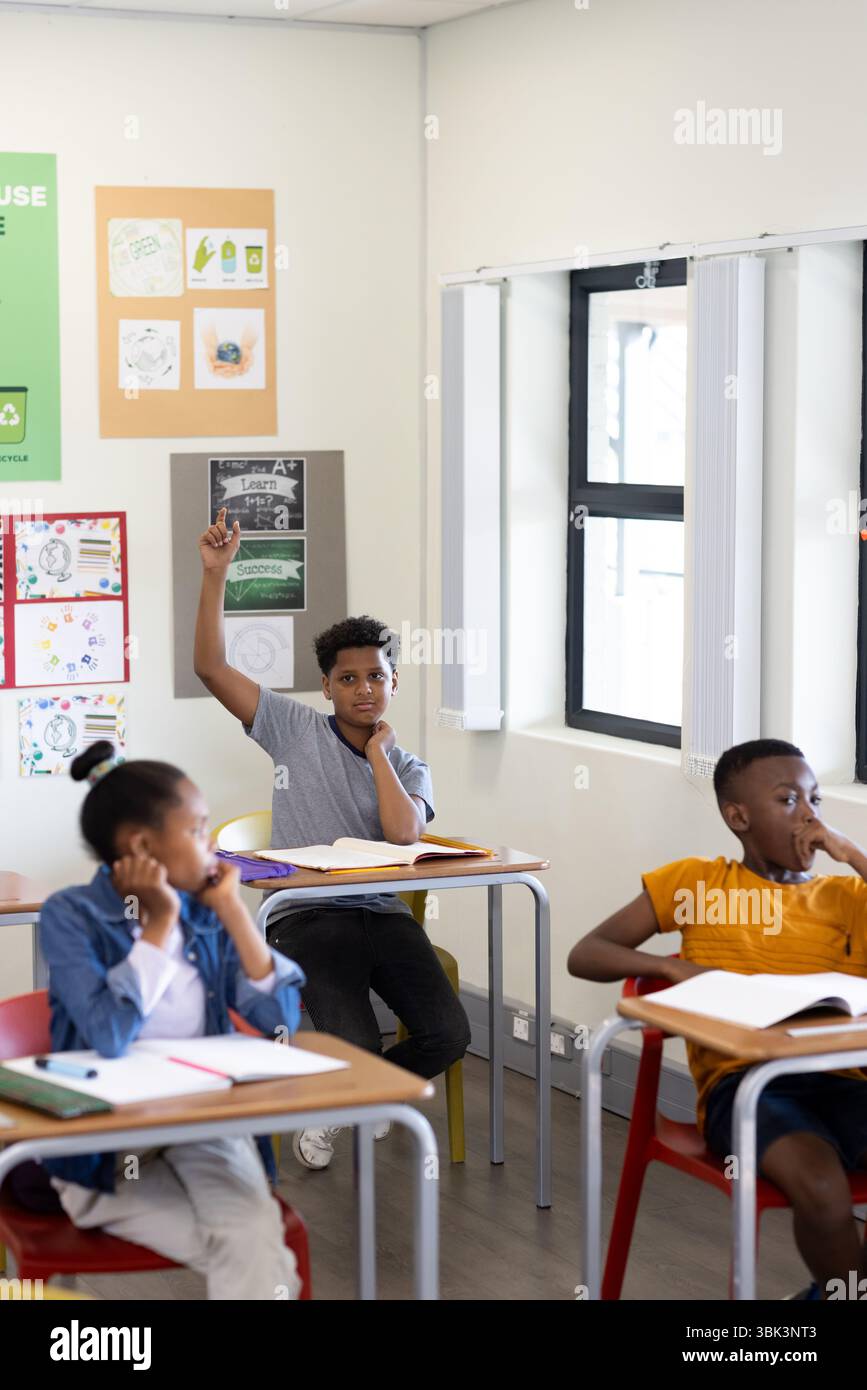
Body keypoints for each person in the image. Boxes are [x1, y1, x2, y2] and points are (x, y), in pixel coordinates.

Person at [194, 506, 470, 1171]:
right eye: (348, 679)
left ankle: (356, 1104)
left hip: (379, 915)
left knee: (448, 1033)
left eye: (376, 676)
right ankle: (355, 1095)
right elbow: (209, 668)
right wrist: (215, 577)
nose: (364, 689)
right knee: (356, 1042)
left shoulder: (406, 766)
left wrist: (379, 757)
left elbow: (406, 834)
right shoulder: (291, 728)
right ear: (326, 687)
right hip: (305, 918)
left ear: (393, 682)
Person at [568, 738, 867, 1300]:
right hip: (749, 1090)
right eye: (787, 800)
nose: (810, 816)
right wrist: (669, 966)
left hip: (845, 1078)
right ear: (739, 816)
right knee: (824, 1189)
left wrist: (852, 854)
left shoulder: (848, 896)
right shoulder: (698, 884)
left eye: (816, 801)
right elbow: (587, 953)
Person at [38, 740, 305, 1301]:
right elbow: (109, 1036)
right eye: (198, 830)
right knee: (256, 1246)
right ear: (142, 844)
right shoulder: (72, 916)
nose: (211, 847)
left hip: (199, 1127)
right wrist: (158, 923)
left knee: (253, 1244)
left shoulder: (206, 915)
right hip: (108, 1148)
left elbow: (280, 1022)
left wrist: (233, 912)